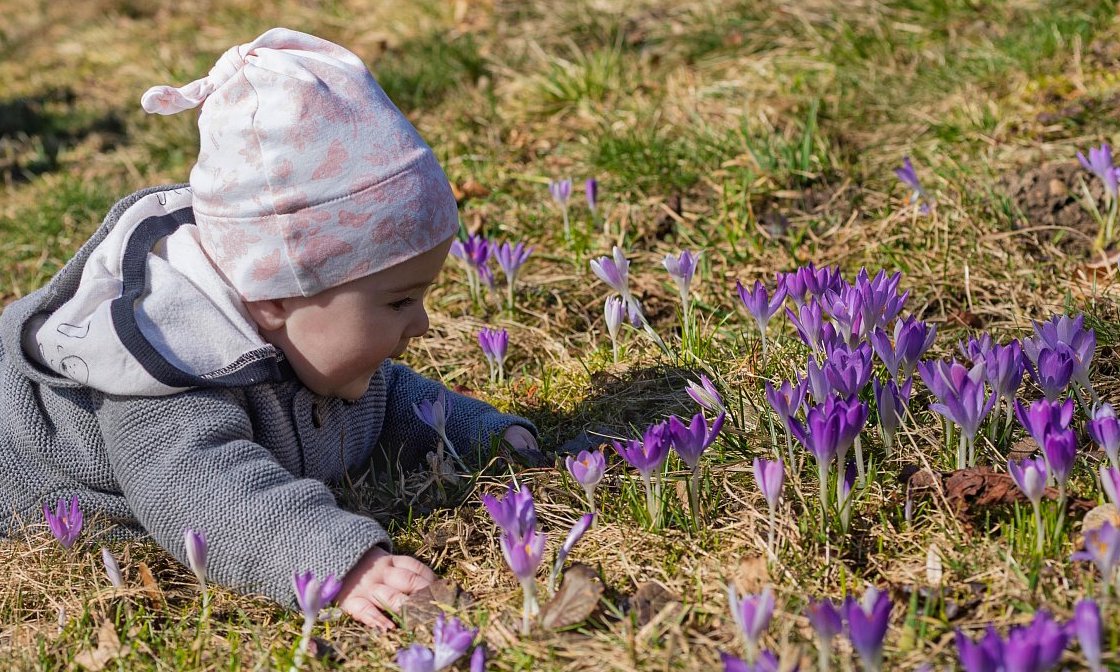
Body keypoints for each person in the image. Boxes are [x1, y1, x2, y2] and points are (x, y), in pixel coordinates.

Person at [0, 28, 540, 631]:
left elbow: (395, 404)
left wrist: (489, 436)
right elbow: (207, 494)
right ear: (278, 296)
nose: (422, 323)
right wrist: (337, 560)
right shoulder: (167, 367)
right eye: (399, 302)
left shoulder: (313, 343)